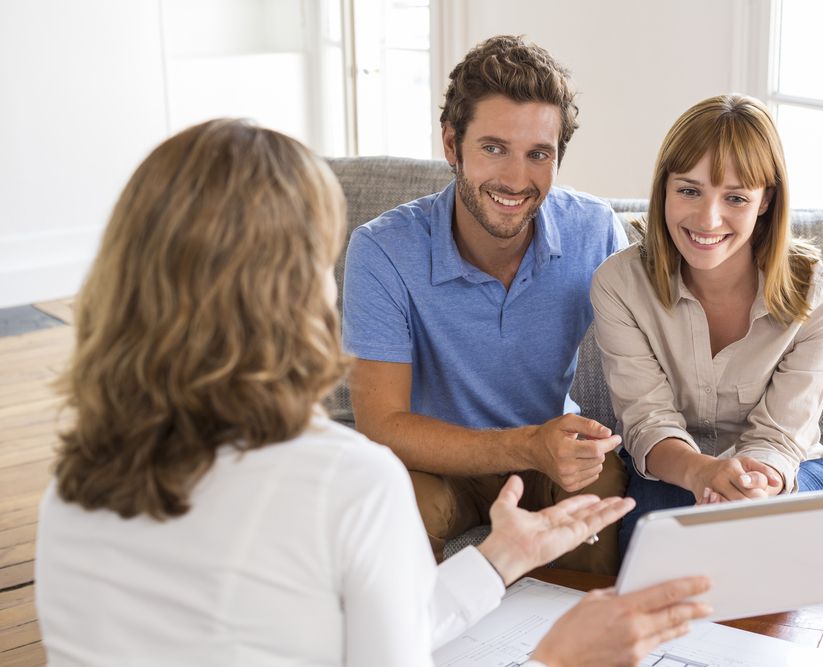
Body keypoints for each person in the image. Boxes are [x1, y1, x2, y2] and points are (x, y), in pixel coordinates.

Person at [34, 119, 711, 666]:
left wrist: (499, 557)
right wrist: (561, 660)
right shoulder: (349, 483)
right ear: (295, 290)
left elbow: (371, 632)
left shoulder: (73, 488)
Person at [343, 35, 628, 574]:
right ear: (452, 145)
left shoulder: (594, 230)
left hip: (549, 458)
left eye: (538, 155)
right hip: (434, 464)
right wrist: (528, 446)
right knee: (395, 502)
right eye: (494, 148)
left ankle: (558, 652)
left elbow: (656, 349)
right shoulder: (382, 249)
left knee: (607, 482)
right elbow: (381, 426)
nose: (516, 180)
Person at [590, 94, 823, 554]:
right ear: (664, 189)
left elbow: (780, 438)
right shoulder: (619, 284)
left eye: (734, 197)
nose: (708, 219)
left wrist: (748, 486)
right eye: (689, 190)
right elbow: (648, 420)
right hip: (674, 468)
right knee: (657, 543)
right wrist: (703, 473)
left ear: (766, 200)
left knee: (765, 541)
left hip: (782, 471)